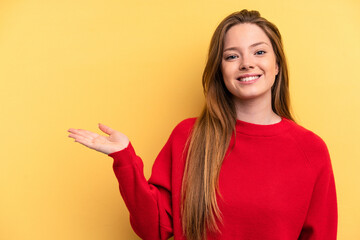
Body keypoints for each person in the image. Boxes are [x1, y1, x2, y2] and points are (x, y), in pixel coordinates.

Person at [68, 9, 337, 240]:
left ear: (277, 64)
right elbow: (154, 229)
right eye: (232, 56)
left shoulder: (311, 150)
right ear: (220, 70)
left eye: (259, 51)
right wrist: (124, 158)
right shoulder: (189, 137)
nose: (246, 63)